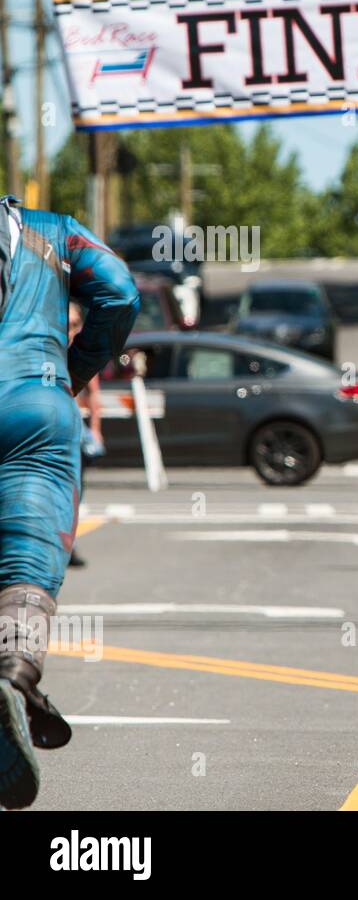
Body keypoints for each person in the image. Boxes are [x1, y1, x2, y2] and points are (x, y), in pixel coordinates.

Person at [0, 195, 140, 809]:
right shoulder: (49, 231)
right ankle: (15, 672)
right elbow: (121, 293)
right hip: (34, 404)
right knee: (27, 560)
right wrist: (73, 370)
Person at [66, 303, 105, 569]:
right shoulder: (44, 348)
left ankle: (69, 543)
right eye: (66, 324)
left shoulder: (81, 354)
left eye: (74, 324)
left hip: (75, 431)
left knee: (74, 490)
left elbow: (94, 394)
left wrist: (96, 431)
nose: (69, 330)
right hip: (50, 428)